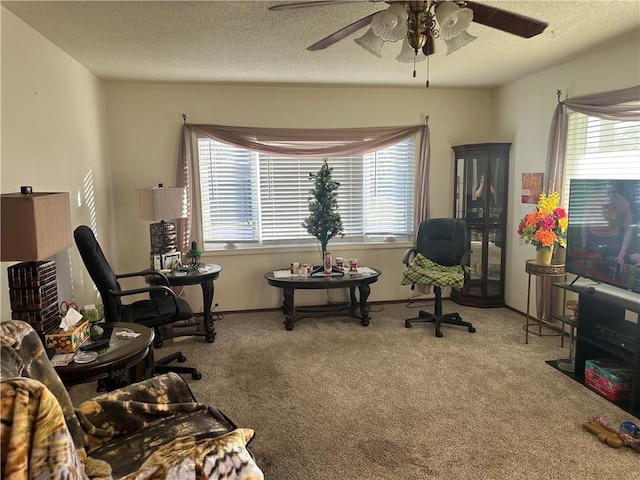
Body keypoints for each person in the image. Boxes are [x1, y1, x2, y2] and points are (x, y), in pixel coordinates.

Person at [581, 181, 632, 264]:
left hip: (612, 238)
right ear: (602, 191)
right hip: (594, 236)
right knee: (594, 265)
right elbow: (584, 224)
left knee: (611, 266)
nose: (611, 196)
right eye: (608, 192)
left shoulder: (623, 203)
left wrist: (622, 254)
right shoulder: (593, 201)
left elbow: (628, 229)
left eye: (613, 192)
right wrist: (584, 246)